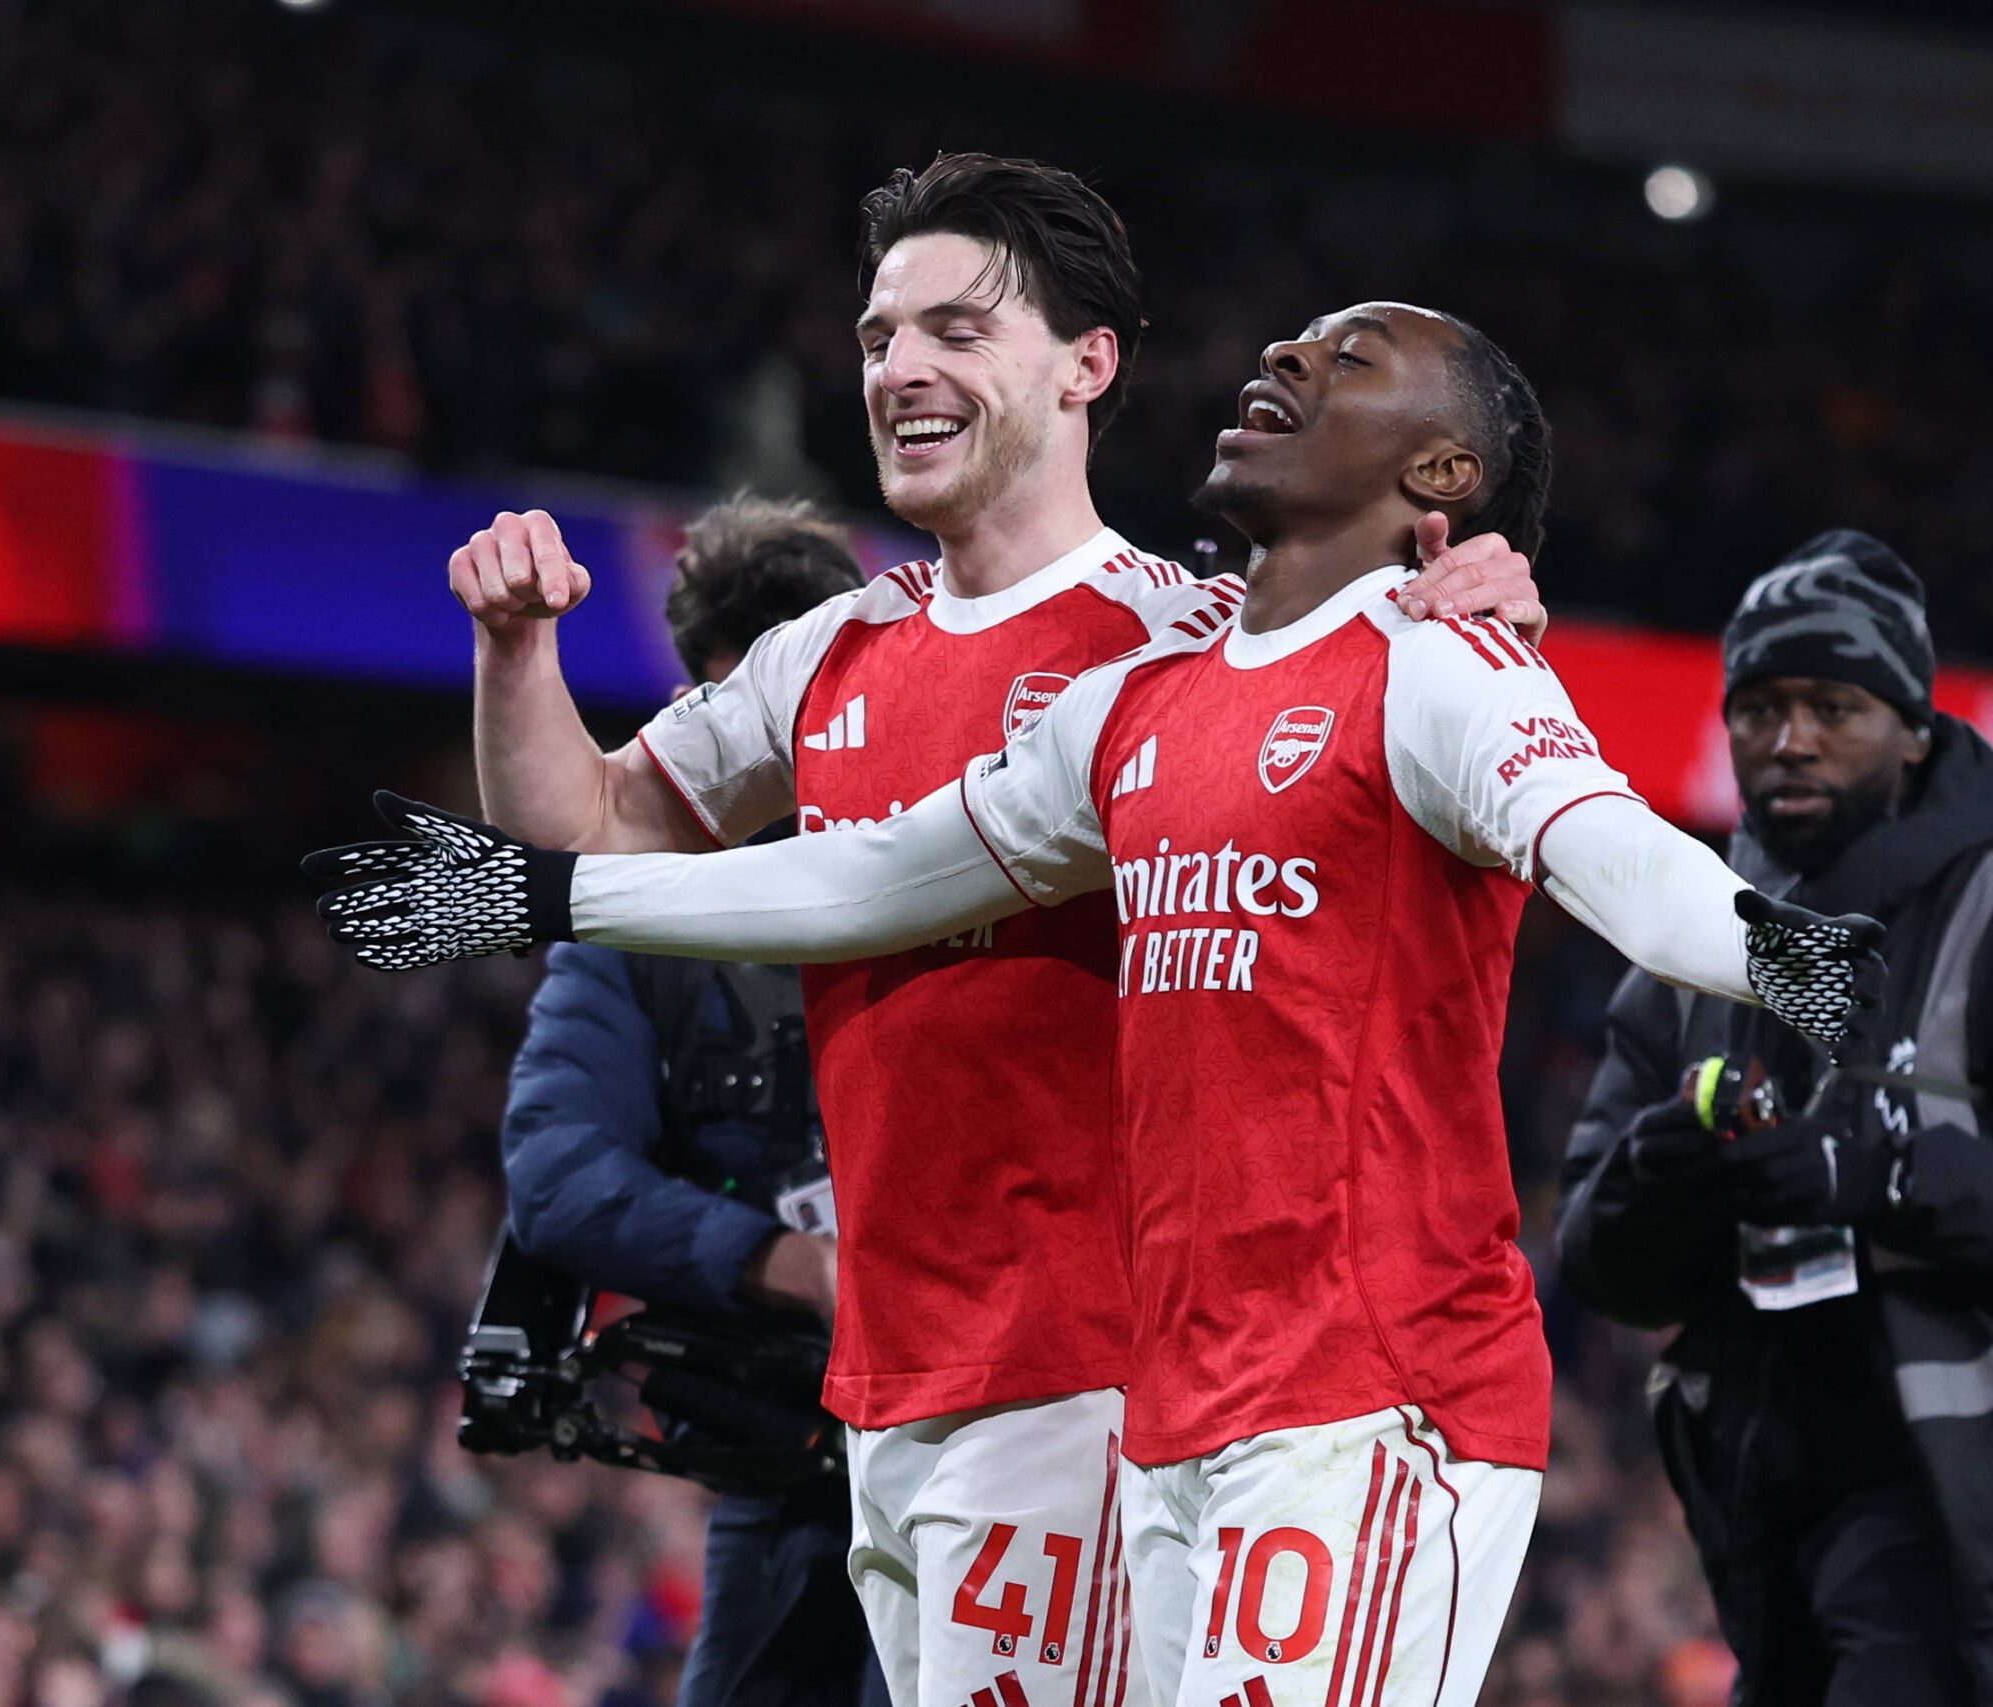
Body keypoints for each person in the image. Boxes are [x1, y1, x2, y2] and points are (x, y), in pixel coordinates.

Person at [307, 301, 1885, 1707]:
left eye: (1351, 360)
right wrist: (553, 894)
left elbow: (1611, 848)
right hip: (1172, 1413)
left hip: (1374, 1397)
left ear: (1441, 481)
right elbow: (865, 882)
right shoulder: (1141, 701)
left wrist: (1791, 954)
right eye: (1293, 342)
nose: (1285, 357)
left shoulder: (1440, 664)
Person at [439, 156, 1546, 1707]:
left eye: (958, 328)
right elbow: (591, 826)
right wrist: (516, 649)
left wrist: (1462, 589)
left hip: (1093, 1369)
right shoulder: (835, 649)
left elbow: (1400, 717)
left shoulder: (1192, 641)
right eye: (883, 333)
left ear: (1089, 363)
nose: (903, 367)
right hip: (891, 1369)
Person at [1551, 532, 1993, 1706]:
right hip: (1794, 1555)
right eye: (1759, 707)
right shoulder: (1685, 964)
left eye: (1833, 704)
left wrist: (1884, 1171)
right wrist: (1647, 1182)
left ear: (1914, 729)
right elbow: (1605, 1268)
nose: (1791, 738)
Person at [496, 497, 882, 1707]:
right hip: (791, 1473)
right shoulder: (642, 921)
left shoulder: (971, 855)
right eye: (720, 719)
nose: (747, 765)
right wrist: (787, 1263)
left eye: (778, 721)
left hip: (1007, 1446)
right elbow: (555, 1177)